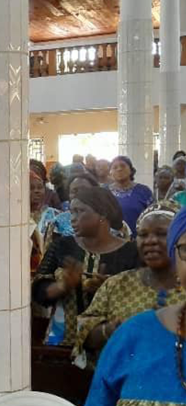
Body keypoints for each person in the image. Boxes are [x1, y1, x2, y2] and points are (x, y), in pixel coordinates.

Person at [83, 207, 186, 405]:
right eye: (143, 235)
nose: (151, 241)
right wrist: (109, 330)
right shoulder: (132, 330)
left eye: (161, 234)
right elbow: (83, 330)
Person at [32, 187, 140, 347]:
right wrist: (62, 286)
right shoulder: (62, 246)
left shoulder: (131, 252)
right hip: (64, 344)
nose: (72, 218)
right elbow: (39, 292)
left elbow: (140, 298)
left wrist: (107, 290)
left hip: (112, 347)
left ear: (102, 213)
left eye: (79, 211)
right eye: (71, 212)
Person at [108, 156, 153, 237]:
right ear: (110, 173)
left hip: (139, 238)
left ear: (131, 170)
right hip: (110, 240)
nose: (119, 169)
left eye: (123, 166)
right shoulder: (104, 192)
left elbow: (152, 216)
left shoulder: (144, 191)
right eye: (115, 167)